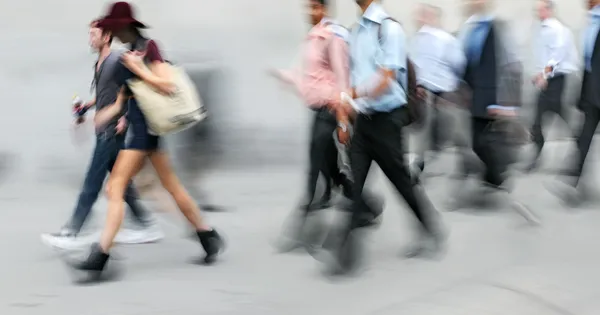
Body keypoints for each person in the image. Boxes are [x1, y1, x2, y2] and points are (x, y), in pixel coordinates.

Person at [67, 2, 223, 278]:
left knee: (114, 188)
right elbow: (123, 101)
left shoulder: (149, 48)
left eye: (113, 28)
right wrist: (102, 117)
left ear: (125, 26)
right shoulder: (128, 54)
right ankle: (207, 236)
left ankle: (101, 256)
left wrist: (138, 69)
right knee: (172, 187)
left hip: (144, 135)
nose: (112, 33)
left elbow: (166, 85)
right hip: (141, 131)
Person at [316, 0, 445, 276]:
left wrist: (352, 95)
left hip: (388, 121)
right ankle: (344, 251)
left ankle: (431, 228)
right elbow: (349, 76)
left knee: (401, 181)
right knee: (356, 181)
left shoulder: (389, 30)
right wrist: (345, 115)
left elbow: (385, 77)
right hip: (364, 122)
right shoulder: (356, 31)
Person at [40, 20, 163, 250]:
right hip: (105, 129)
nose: (90, 38)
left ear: (106, 37)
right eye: (89, 34)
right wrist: (86, 107)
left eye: (94, 34)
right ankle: (147, 223)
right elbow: (107, 93)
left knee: (91, 182)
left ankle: (73, 231)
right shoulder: (100, 63)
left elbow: (133, 87)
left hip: (111, 131)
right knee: (122, 183)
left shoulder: (117, 60)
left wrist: (125, 116)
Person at [271, 0, 383, 253]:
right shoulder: (311, 38)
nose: (310, 13)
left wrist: (343, 119)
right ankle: (365, 205)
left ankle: (301, 229)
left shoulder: (333, 37)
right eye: (308, 8)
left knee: (314, 167)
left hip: (330, 110)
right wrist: (283, 76)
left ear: (325, 9)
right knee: (329, 168)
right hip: (316, 110)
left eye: (315, 8)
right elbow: (308, 77)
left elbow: (342, 79)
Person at [449, 0, 539, 224]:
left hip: (492, 96)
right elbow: (465, 62)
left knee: (485, 142)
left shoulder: (498, 28)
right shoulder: (470, 28)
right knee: (475, 142)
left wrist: (509, 103)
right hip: (474, 95)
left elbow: (512, 64)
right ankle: (492, 180)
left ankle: (499, 181)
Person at [546, 0, 600, 205]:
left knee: (584, 137)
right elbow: (588, 62)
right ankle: (572, 181)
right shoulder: (592, 22)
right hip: (592, 93)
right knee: (583, 137)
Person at [410, 3, 466, 174]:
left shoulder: (432, 39)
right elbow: (458, 63)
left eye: (424, 15)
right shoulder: (442, 39)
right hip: (437, 91)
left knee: (436, 128)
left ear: (433, 17)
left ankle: (424, 159)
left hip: (436, 92)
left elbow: (457, 62)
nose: (420, 19)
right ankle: (423, 160)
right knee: (437, 128)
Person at [526, 0, 578, 172]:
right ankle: (538, 155)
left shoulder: (556, 29)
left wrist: (544, 74)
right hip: (549, 78)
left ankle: (580, 144)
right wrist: (539, 73)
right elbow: (545, 55)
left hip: (556, 79)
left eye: (540, 9)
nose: (537, 12)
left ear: (549, 10)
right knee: (541, 119)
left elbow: (557, 55)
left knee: (550, 115)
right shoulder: (544, 28)